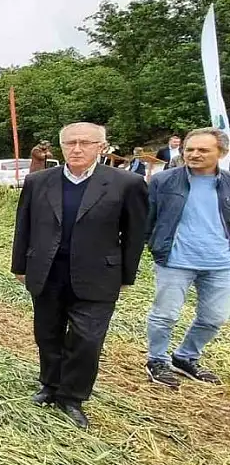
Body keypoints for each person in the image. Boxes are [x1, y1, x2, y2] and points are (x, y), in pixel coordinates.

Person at [11, 122, 148, 429]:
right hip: (48, 272)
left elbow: (135, 234)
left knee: (87, 339)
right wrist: (20, 266)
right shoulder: (38, 181)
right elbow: (25, 226)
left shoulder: (126, 183)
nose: (76, 148)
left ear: (102, 146)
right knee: (47, 334)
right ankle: (50, 385)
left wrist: (126, 275)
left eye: (85, 142)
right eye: (70, 142)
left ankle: (71, 397)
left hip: (98, 275)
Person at [144, 128, 230, 388]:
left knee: (214, 318)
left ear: (221, 153)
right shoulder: (164, 181)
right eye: (189, 149)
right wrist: (154, 245)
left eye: (203, 150)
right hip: (175, 260)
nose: (194, 154)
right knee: (165, 315)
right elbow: (148, 218)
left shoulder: (227, 183)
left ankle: (186, 356)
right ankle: (156, 360)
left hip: (220, 263)